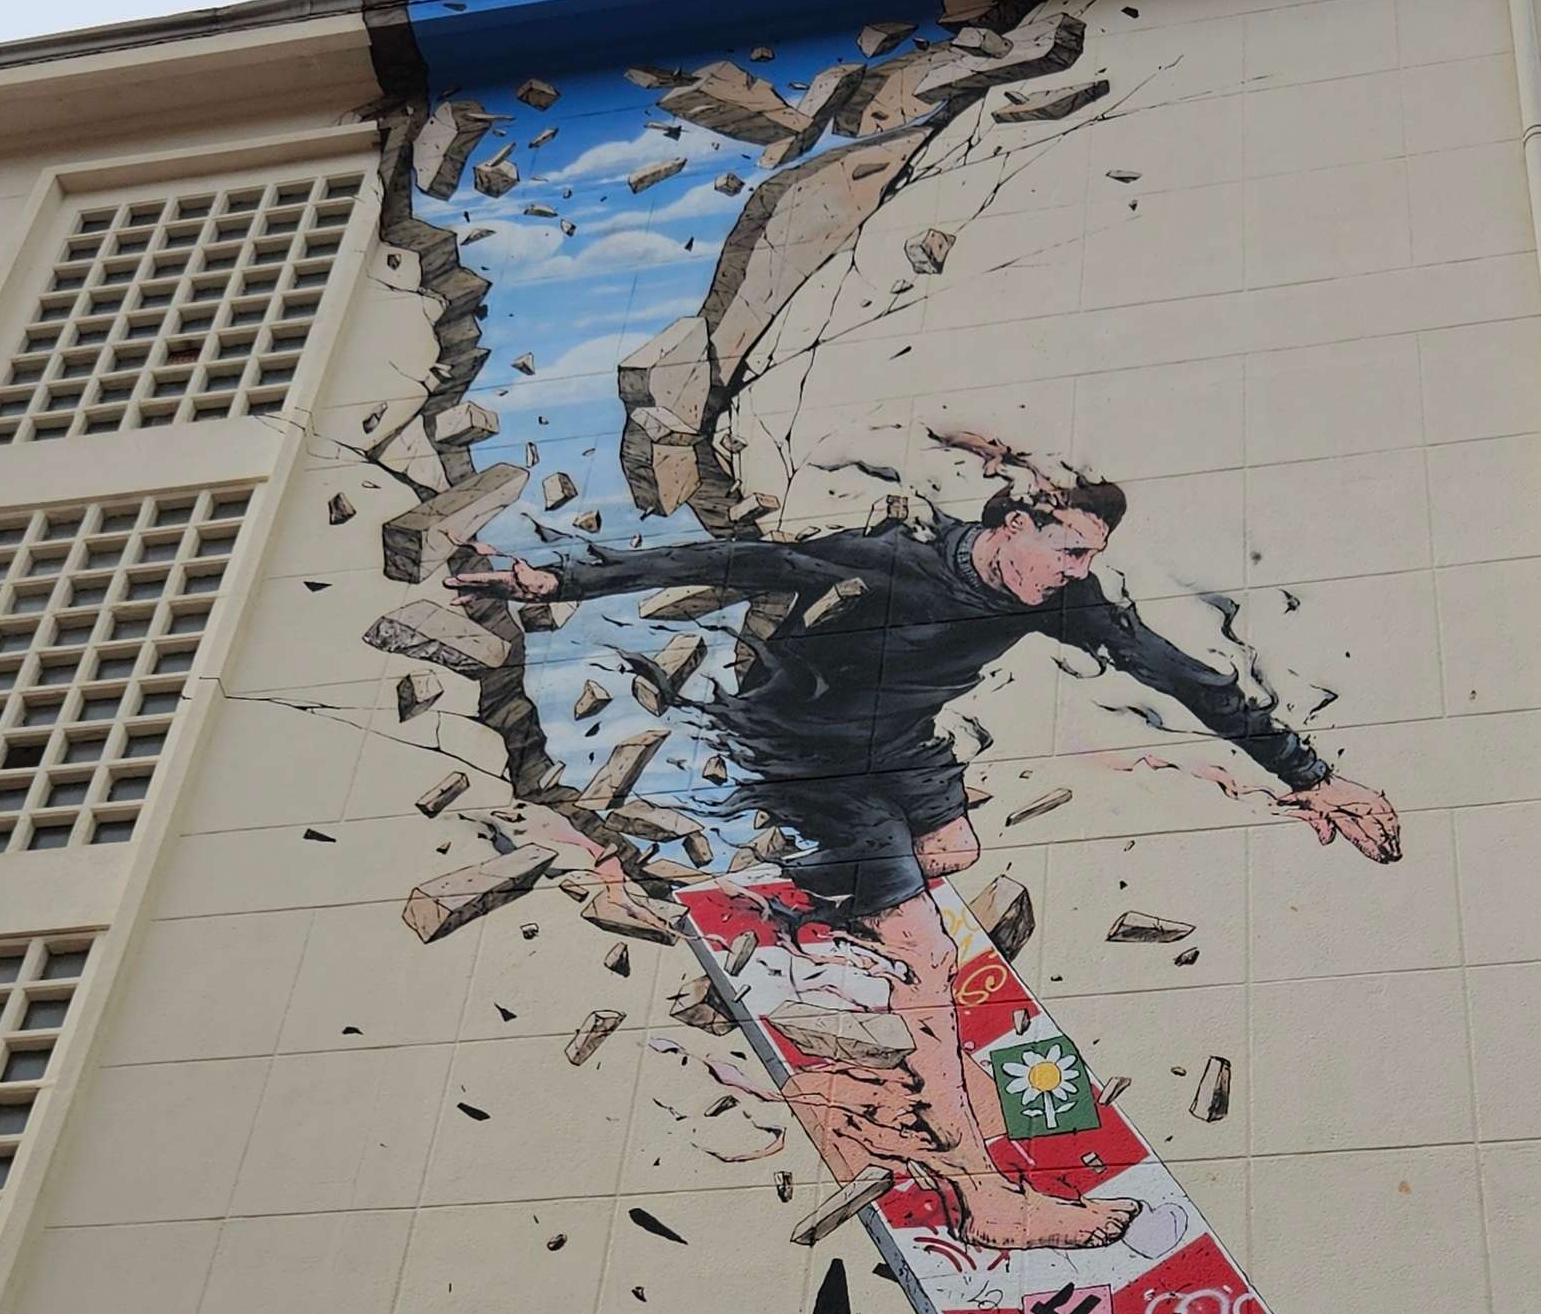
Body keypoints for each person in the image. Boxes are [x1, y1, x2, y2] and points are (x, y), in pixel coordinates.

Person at [449, 446, 1400, 1252]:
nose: (1077, 572)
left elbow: (1183, 675)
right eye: (1068, 549)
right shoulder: (888, 561)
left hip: (903, 747)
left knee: (953, 847)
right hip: (803, 756)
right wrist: (557, 580)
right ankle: (987, 1198)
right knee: (924, 951)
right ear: (1014, 526)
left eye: (1091, 556)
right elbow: (734, 559)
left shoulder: (1060, 594)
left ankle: (833, 913)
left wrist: (1311, 776)